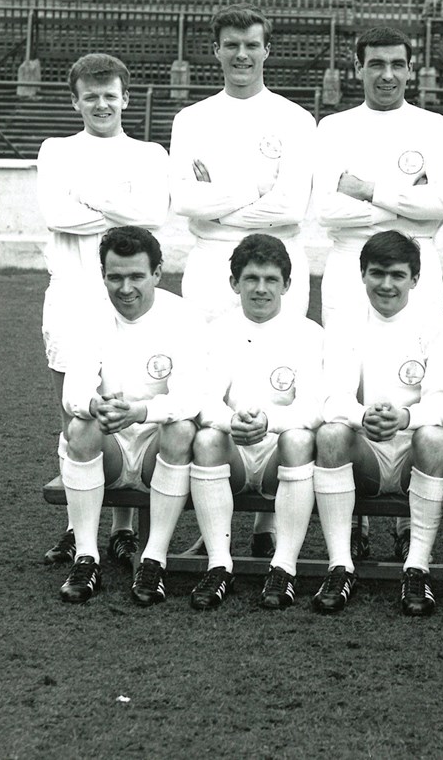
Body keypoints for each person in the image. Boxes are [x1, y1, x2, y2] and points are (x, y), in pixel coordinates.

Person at [37, 53, 169, 568]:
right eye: (90, 96)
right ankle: (77, 525)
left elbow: (152, 216)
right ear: (75, 101)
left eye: (109, 95)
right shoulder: (56, 149)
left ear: (125, 98)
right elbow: (55, 213)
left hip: (126, 293)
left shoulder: (149, 153)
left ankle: (123, 529)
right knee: (74, 411)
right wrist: (118, 206)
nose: (101, 104)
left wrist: (88, 201)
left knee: (129, 399)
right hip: (70, 291)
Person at [312, 231, 443, 615]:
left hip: (412, 449)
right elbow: (332, 398)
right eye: (377, 273)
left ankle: (417, 567)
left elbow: (442, 401)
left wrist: (405, 417)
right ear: (362, 274)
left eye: (397, 275)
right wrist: (362, 416)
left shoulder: (439, 323)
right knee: (330, 434)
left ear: (414, 279)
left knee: (437, 438)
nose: (387, 284)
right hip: (367, 451)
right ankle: (341, 565)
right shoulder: (344, 320)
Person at [57, 227, 201, 605]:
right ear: (102, 275)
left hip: (157, 446)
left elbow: (190, 398)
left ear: (156, 273)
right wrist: (95, 406)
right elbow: (74, 392)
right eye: (115, 277)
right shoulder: (90, 315)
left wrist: (140, 412)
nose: (125, 288)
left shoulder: (183, 316)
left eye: (136, 276)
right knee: (80, 425)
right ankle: (87, 557)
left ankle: (154, 559)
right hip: (112, 445)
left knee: (182, 428)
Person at [188, 234, 324, 611]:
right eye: (251, 279)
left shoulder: (310, 334)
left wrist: (270, 422)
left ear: (287, 285)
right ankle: (219, 565)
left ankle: (284, 567)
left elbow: (314, 407)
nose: (260, 289)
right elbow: (204, 401)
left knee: (299, 440)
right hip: (234, 451)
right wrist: (233, 421)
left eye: (271, 280)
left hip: (276, 456)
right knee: (206, 440)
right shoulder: (215, 331)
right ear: (234, 283)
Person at [169, 3, 314, 324]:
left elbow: (290, 208)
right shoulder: (190, 119)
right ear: (217, 50)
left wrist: (218, 207)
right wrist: (259, 189)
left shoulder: (296, 119)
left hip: (278, 258)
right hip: (211, 261)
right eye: (232, 45)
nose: (241, 55)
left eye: (251, 45)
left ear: (267, 50)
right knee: (207, 361)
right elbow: (184, 201)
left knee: (277, 365)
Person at [315, 26, 443, 325]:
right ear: (358, 68)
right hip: (349, 263)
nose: (387, 75)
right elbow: (326, 210)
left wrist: (367, 190)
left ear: (410, 70)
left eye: (396, 65)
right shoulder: (333, 127)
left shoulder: (435, 126)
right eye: (377, 64)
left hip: (416, 261)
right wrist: (408, 204)